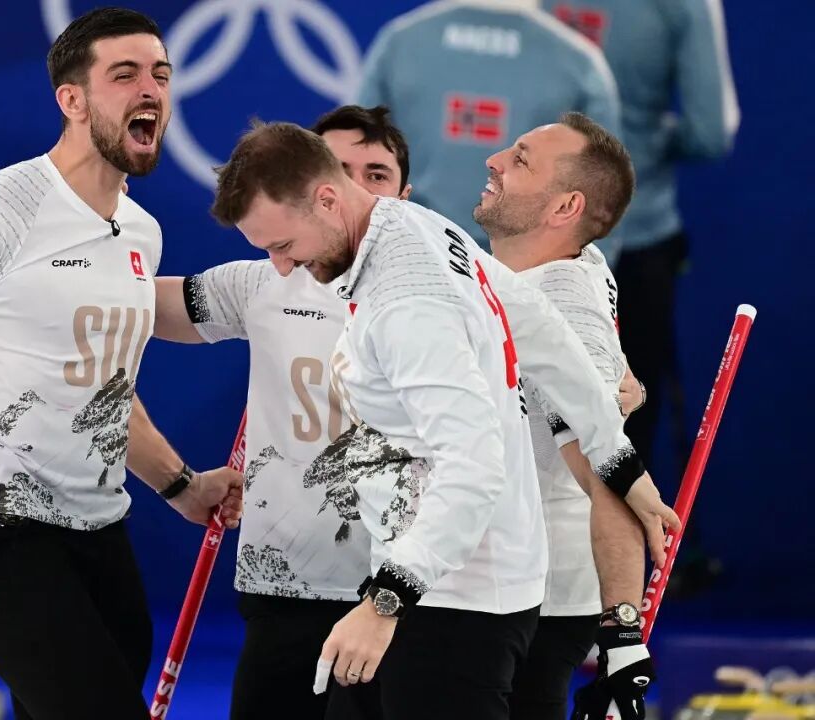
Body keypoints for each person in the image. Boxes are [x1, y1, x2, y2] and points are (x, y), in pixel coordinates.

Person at [0, 9, 242, 719]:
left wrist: (182, 485)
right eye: (124, 74)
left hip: (100, 536)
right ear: (72, 99)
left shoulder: (142, 232)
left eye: (160, 74)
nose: (151, 90)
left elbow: (106, 391)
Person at [206, 120, 671, 719]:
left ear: (326, 198)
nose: (280, 267)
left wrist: (386, 603)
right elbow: (537, 326)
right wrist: (621, 460)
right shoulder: (413, 224)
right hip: (437, 581)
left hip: (453, 601)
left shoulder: (408, 304)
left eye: (282, 245)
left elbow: (476, 466)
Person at [155, 105, 410, 720]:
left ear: (405, 196)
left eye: (376, 174)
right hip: (285, 585)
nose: (351, 190)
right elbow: (134, 305)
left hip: (400, 593)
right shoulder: (266, 280)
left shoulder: (438, 288)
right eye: (339, 170)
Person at [472, 112, 652, 719]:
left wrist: (623, 631)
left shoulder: (559, 299)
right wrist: (625, 388)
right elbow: (616, 388)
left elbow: (606, 464)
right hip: (512, 582)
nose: (494, 159)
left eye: (520, 159)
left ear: (565, 207)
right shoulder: (580, 262)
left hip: (526, 597)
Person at [541, 0, 739, 482]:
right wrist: (641, 141)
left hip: (529, 236)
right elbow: (709, 134)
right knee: (622, 440)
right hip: (635, 238)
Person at [357, 0, 623, 260]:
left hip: (413, 254)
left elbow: (353, 158)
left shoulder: (401, 42)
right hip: (525, 270)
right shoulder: (578, 60)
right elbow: (603, 192)